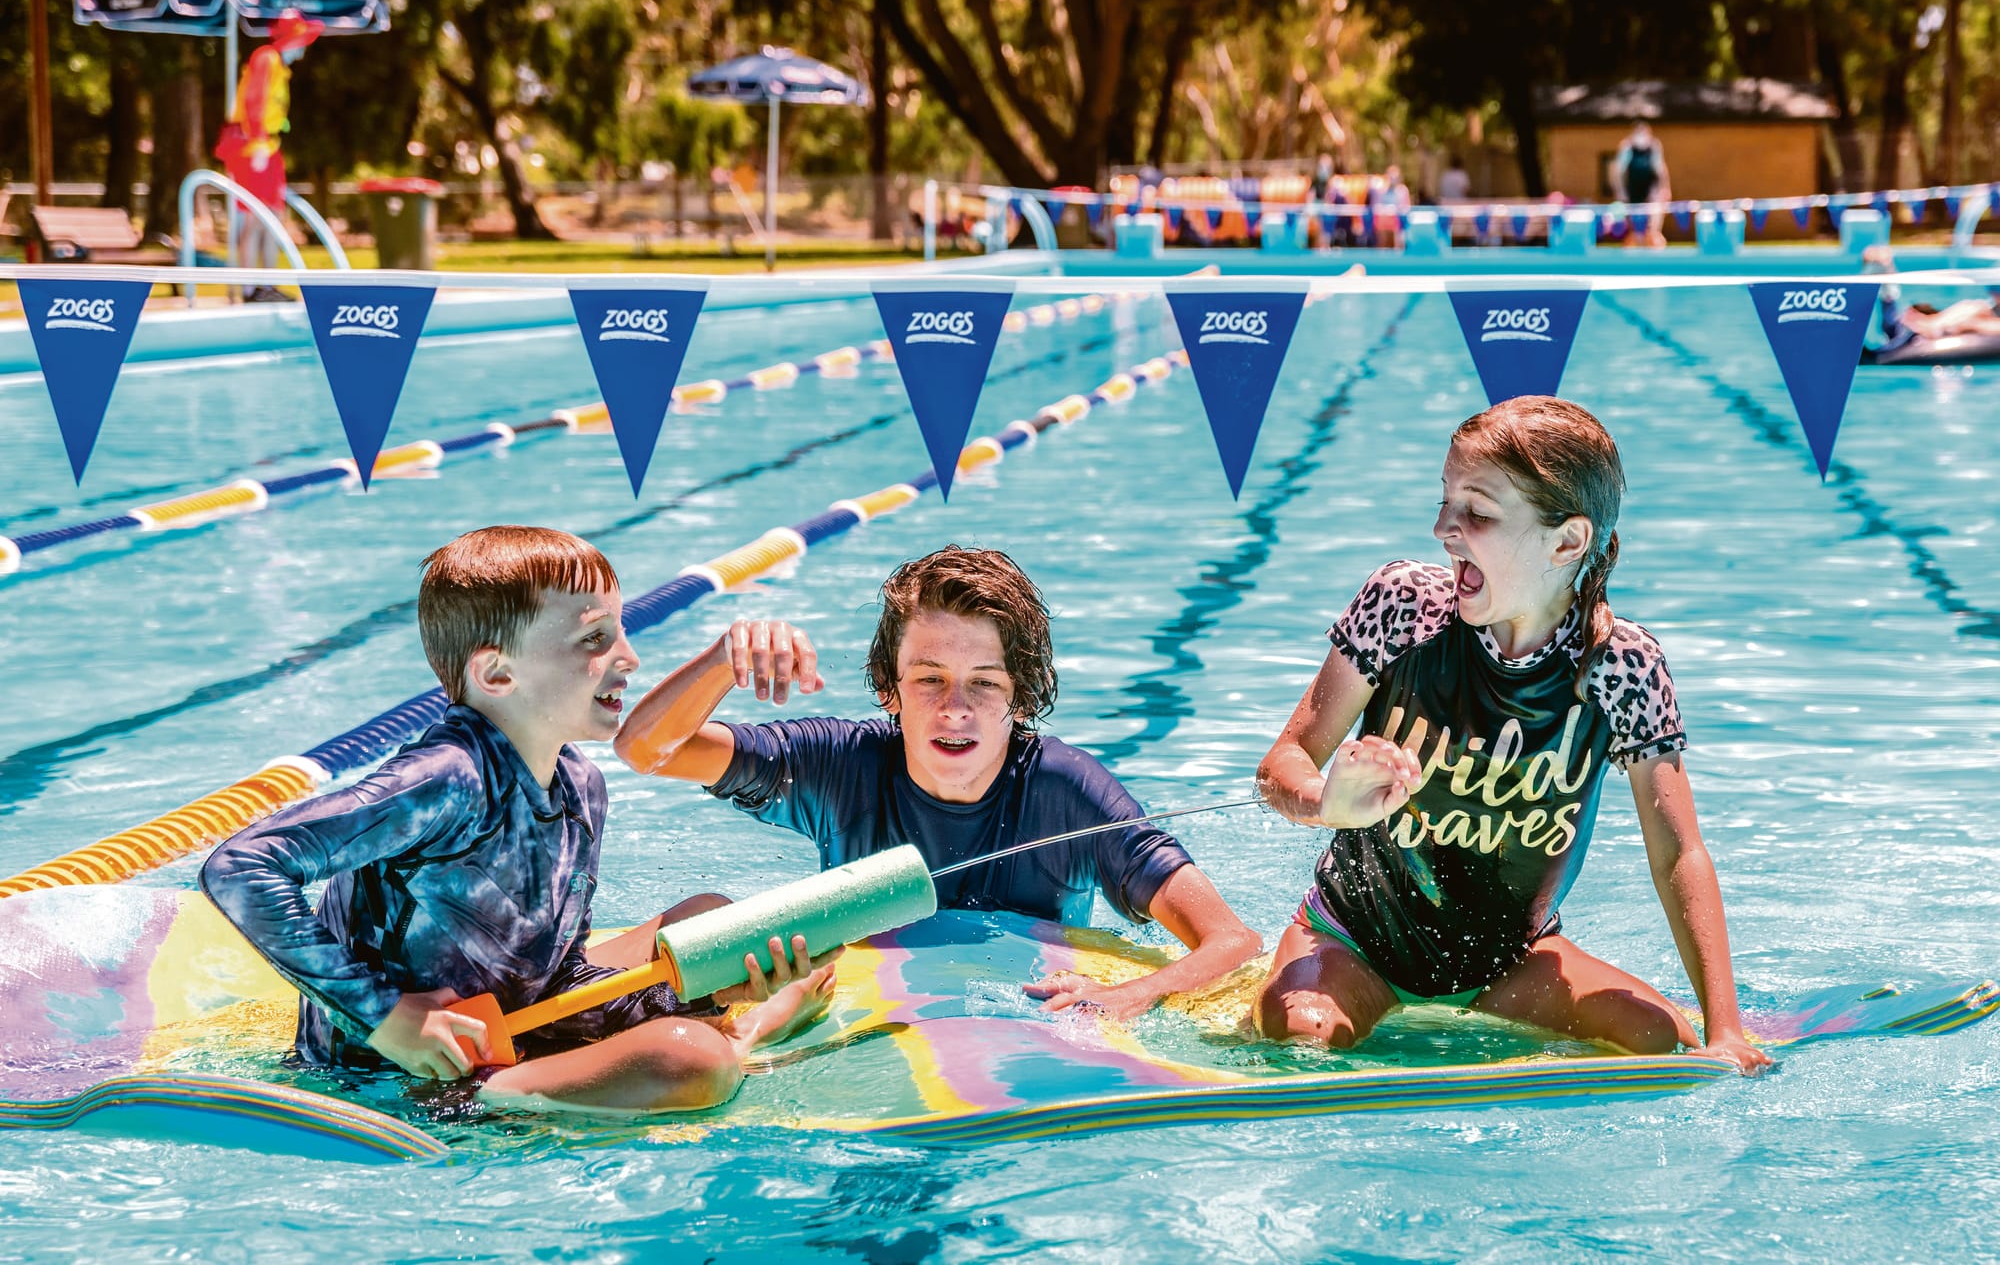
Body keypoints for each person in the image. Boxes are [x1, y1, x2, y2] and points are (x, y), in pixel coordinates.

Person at [202, 526, 836, 1112]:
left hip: (516, 1019)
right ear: (497, 672)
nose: (629, 657)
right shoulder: (444, 780)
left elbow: (559, 974)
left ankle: (729, 1027)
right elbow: (241, 865)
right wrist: (385, 1017)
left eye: (619, 629)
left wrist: (701, 991)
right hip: (398, 1071)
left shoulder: (578, 784)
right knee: (689, 1057)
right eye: (595, 638)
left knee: (716, 927)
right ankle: (737, 1040)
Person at [1251, 397, 1769, 1075]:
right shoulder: (1402, 608)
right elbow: (1280, 766)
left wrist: (1724, 1030)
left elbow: (1678, 853)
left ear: (1566, 542)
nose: (1444, 527)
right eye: (1445, 500)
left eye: (1478, 511)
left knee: (1657, 1041)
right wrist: (1325, 802)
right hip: (1355, 944)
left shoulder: (1618, 667)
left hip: (1511, 963)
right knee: (1305, 1038)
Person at [615, 545, 1262, 1020]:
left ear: (1023, 697)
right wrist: (723, 660)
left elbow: (1232, 940)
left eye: (983, 681)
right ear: (888, 689)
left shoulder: (1067, 794)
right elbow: (646, 750)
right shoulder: (842, 765)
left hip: (1017, 1016)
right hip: (859, 1016)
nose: (955, 708)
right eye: (929, 679)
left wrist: (1133, 993)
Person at [213, 9, 322, 302]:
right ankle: (250, 289)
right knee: (255, 217)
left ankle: (268, 284)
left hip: (269, 148)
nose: (303, 50)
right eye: (301, 42)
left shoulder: (280, 66)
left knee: (273, 215)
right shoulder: (266, 58)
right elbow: (254, 101)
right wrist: (259, 141)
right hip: (253, 150)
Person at [1862, 244, 2000, 351]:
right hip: (1922, 330)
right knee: (1977, 307)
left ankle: (1887, 287)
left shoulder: (1982, 311)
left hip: (1924, 331)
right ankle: (1887, 285)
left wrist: (1961, 325)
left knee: (1977, 308)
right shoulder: (1981, 308)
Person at [1610, 122, 1670, 248]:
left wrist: (1665, 188)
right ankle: (1637, 248)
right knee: (1635, 230)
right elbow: (1616, 172)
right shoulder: (1627, 147)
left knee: (1653, 228)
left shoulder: (1654, 146)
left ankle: (1655, 248)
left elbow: (1661, 170)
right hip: (1633, 190)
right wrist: (1620, 191)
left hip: (1651, 189)